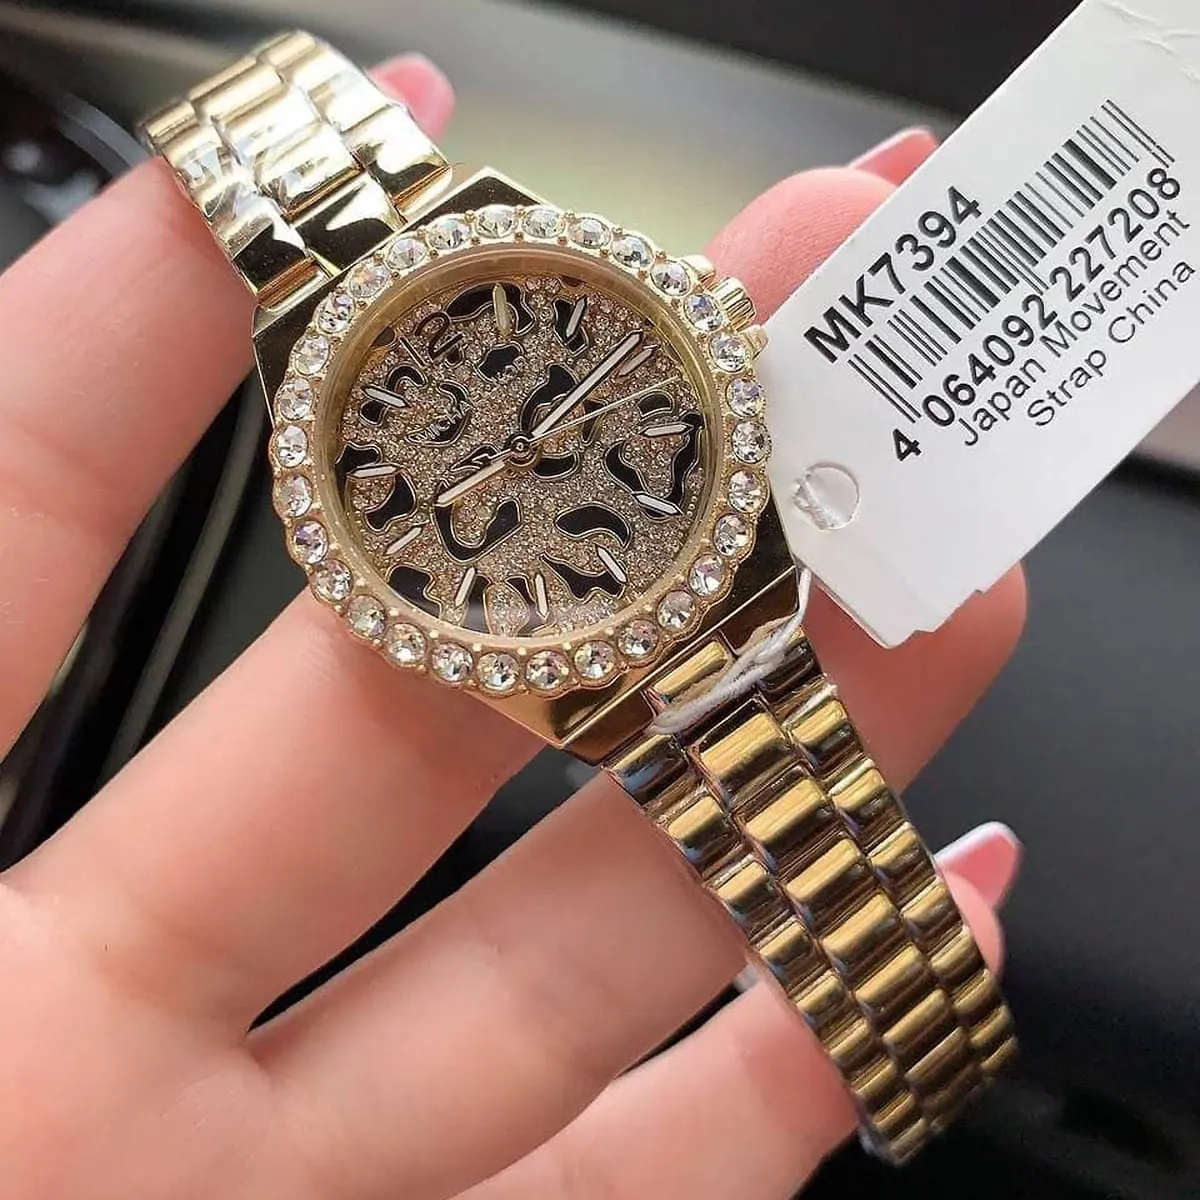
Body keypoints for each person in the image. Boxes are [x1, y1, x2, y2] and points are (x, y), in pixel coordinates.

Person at [0, 54, 1025, 1199]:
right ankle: (926, 1061)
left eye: (529, 436)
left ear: (706, 323)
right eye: (501, 450)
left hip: (672, 582)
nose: (520, 450)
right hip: (569, 612)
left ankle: (925, 1054)